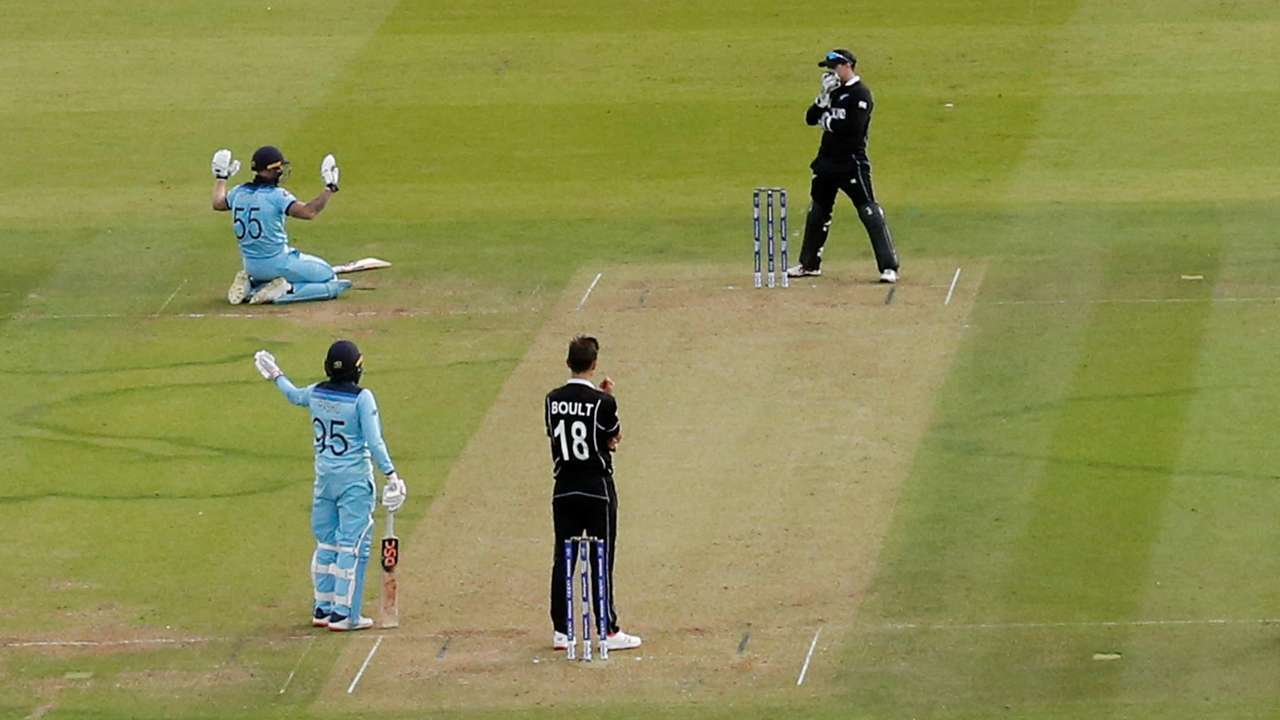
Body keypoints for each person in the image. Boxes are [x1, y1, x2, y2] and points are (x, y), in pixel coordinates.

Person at [252, 340, 408, 631]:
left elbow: (294, 396)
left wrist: (276, 375)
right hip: (354, 483)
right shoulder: (362, 398)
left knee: (326, 544)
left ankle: (322, 609)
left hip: (324, 480)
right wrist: (391, 475)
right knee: (352, 546)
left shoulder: (317, 392)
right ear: (358, 369)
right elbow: (374, 442)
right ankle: (345, 615)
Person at [545, 336, 642, 651]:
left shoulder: (552, 399)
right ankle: (607, 631)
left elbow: (558, 433)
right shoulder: (604, 402)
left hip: (563, 488)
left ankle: (561, 630)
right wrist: (606, 397)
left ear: (568, 362)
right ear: (594, 363)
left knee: (563, 557)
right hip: (596, 487)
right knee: (602, 557)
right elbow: (614, 439)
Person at [789, 48, 900, 283]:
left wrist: (827, 121)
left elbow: (853, 129)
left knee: (868, 211)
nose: (831, 73)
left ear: (847, 66)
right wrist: (822, 98)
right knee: (818, 211)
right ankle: (809, 264)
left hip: (851, 163)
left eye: (834, 67)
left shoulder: (860, 94)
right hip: (826, 162)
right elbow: (810, 118)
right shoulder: (833, 92)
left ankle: (888, 267)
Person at [211, 145, 352, 305]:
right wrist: (330, 188)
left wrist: (221, 178)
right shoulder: (276, 195)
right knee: (329, 278)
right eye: (278, 167)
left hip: (251, 265)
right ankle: (285, 290)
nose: (281, 171)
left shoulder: (238, 192)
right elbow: (309, 212)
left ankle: (254, 286)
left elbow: (217, 203)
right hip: (279, 263)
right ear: (271, 169)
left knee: (279, 272)